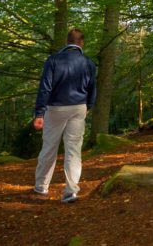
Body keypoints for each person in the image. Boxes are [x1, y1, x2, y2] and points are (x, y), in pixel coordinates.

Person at [32, 28, 97, 203]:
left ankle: (41, 186)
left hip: (55, 109)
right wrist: (88, 106)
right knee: (73, 150)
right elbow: (92, 89)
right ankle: (70, 191)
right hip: (78, 108)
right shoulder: (88, 63)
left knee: (49, 147)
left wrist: (39, 113)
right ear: (81, 43)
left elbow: (44, 88)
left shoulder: (53, 60)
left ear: (67, 42)